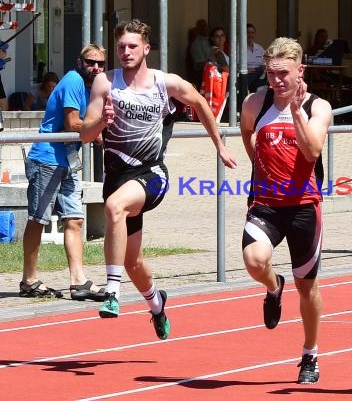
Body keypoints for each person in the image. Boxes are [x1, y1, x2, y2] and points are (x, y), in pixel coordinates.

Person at [80, 19, 237, 340]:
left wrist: (219, 145)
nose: (126, 52)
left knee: (113, 207)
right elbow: (84, 135)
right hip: (116, 175)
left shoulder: (165, 83)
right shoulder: (105, 84)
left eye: (132, 46)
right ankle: (156, 304)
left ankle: (111, 291)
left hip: (151, 174)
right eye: (121, 47)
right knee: (134, 262)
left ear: (146, 49)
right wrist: (101, 123)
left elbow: (201, 103)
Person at [240, 37, 332, 384]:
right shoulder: (254, 103)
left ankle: (310, 353)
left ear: (300, 71)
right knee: (254, 261)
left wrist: (295, 112)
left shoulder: (318, 107)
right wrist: (258, 162)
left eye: (283, 73)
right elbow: (248, 132)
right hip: (265, 204)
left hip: (304, 208)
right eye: (270, 73)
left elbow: (311, 152)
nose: (276, 81)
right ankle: (273, 286)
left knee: (306, 286)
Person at [20, 44, 107, 301]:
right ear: (79, 62)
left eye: (101, 64)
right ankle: (29, 279)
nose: (96, 68)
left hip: (69, 160)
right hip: (46, 158)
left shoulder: (90, 88)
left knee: (75, 219)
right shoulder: (72, 81)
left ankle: (78, 281)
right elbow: (72, 123)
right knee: (38, 219)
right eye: (91, 62)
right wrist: (99, 128)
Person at [246, 23, 267, 93]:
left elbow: (266, 62)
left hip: (260, 74)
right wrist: (246, 70)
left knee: (261, 71)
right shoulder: (238, 49)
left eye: (252, 33)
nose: (250, 35)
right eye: (248, 32)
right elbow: (234, 66)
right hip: (246, 74)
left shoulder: (259, 48)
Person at [189, 19, 210, 87]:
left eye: (205, 26)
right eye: (201, 27)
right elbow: (201, 64)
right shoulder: (196, 44)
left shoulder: (209, 40)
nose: (204, 28)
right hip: (202, 75)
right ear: (198, 29)